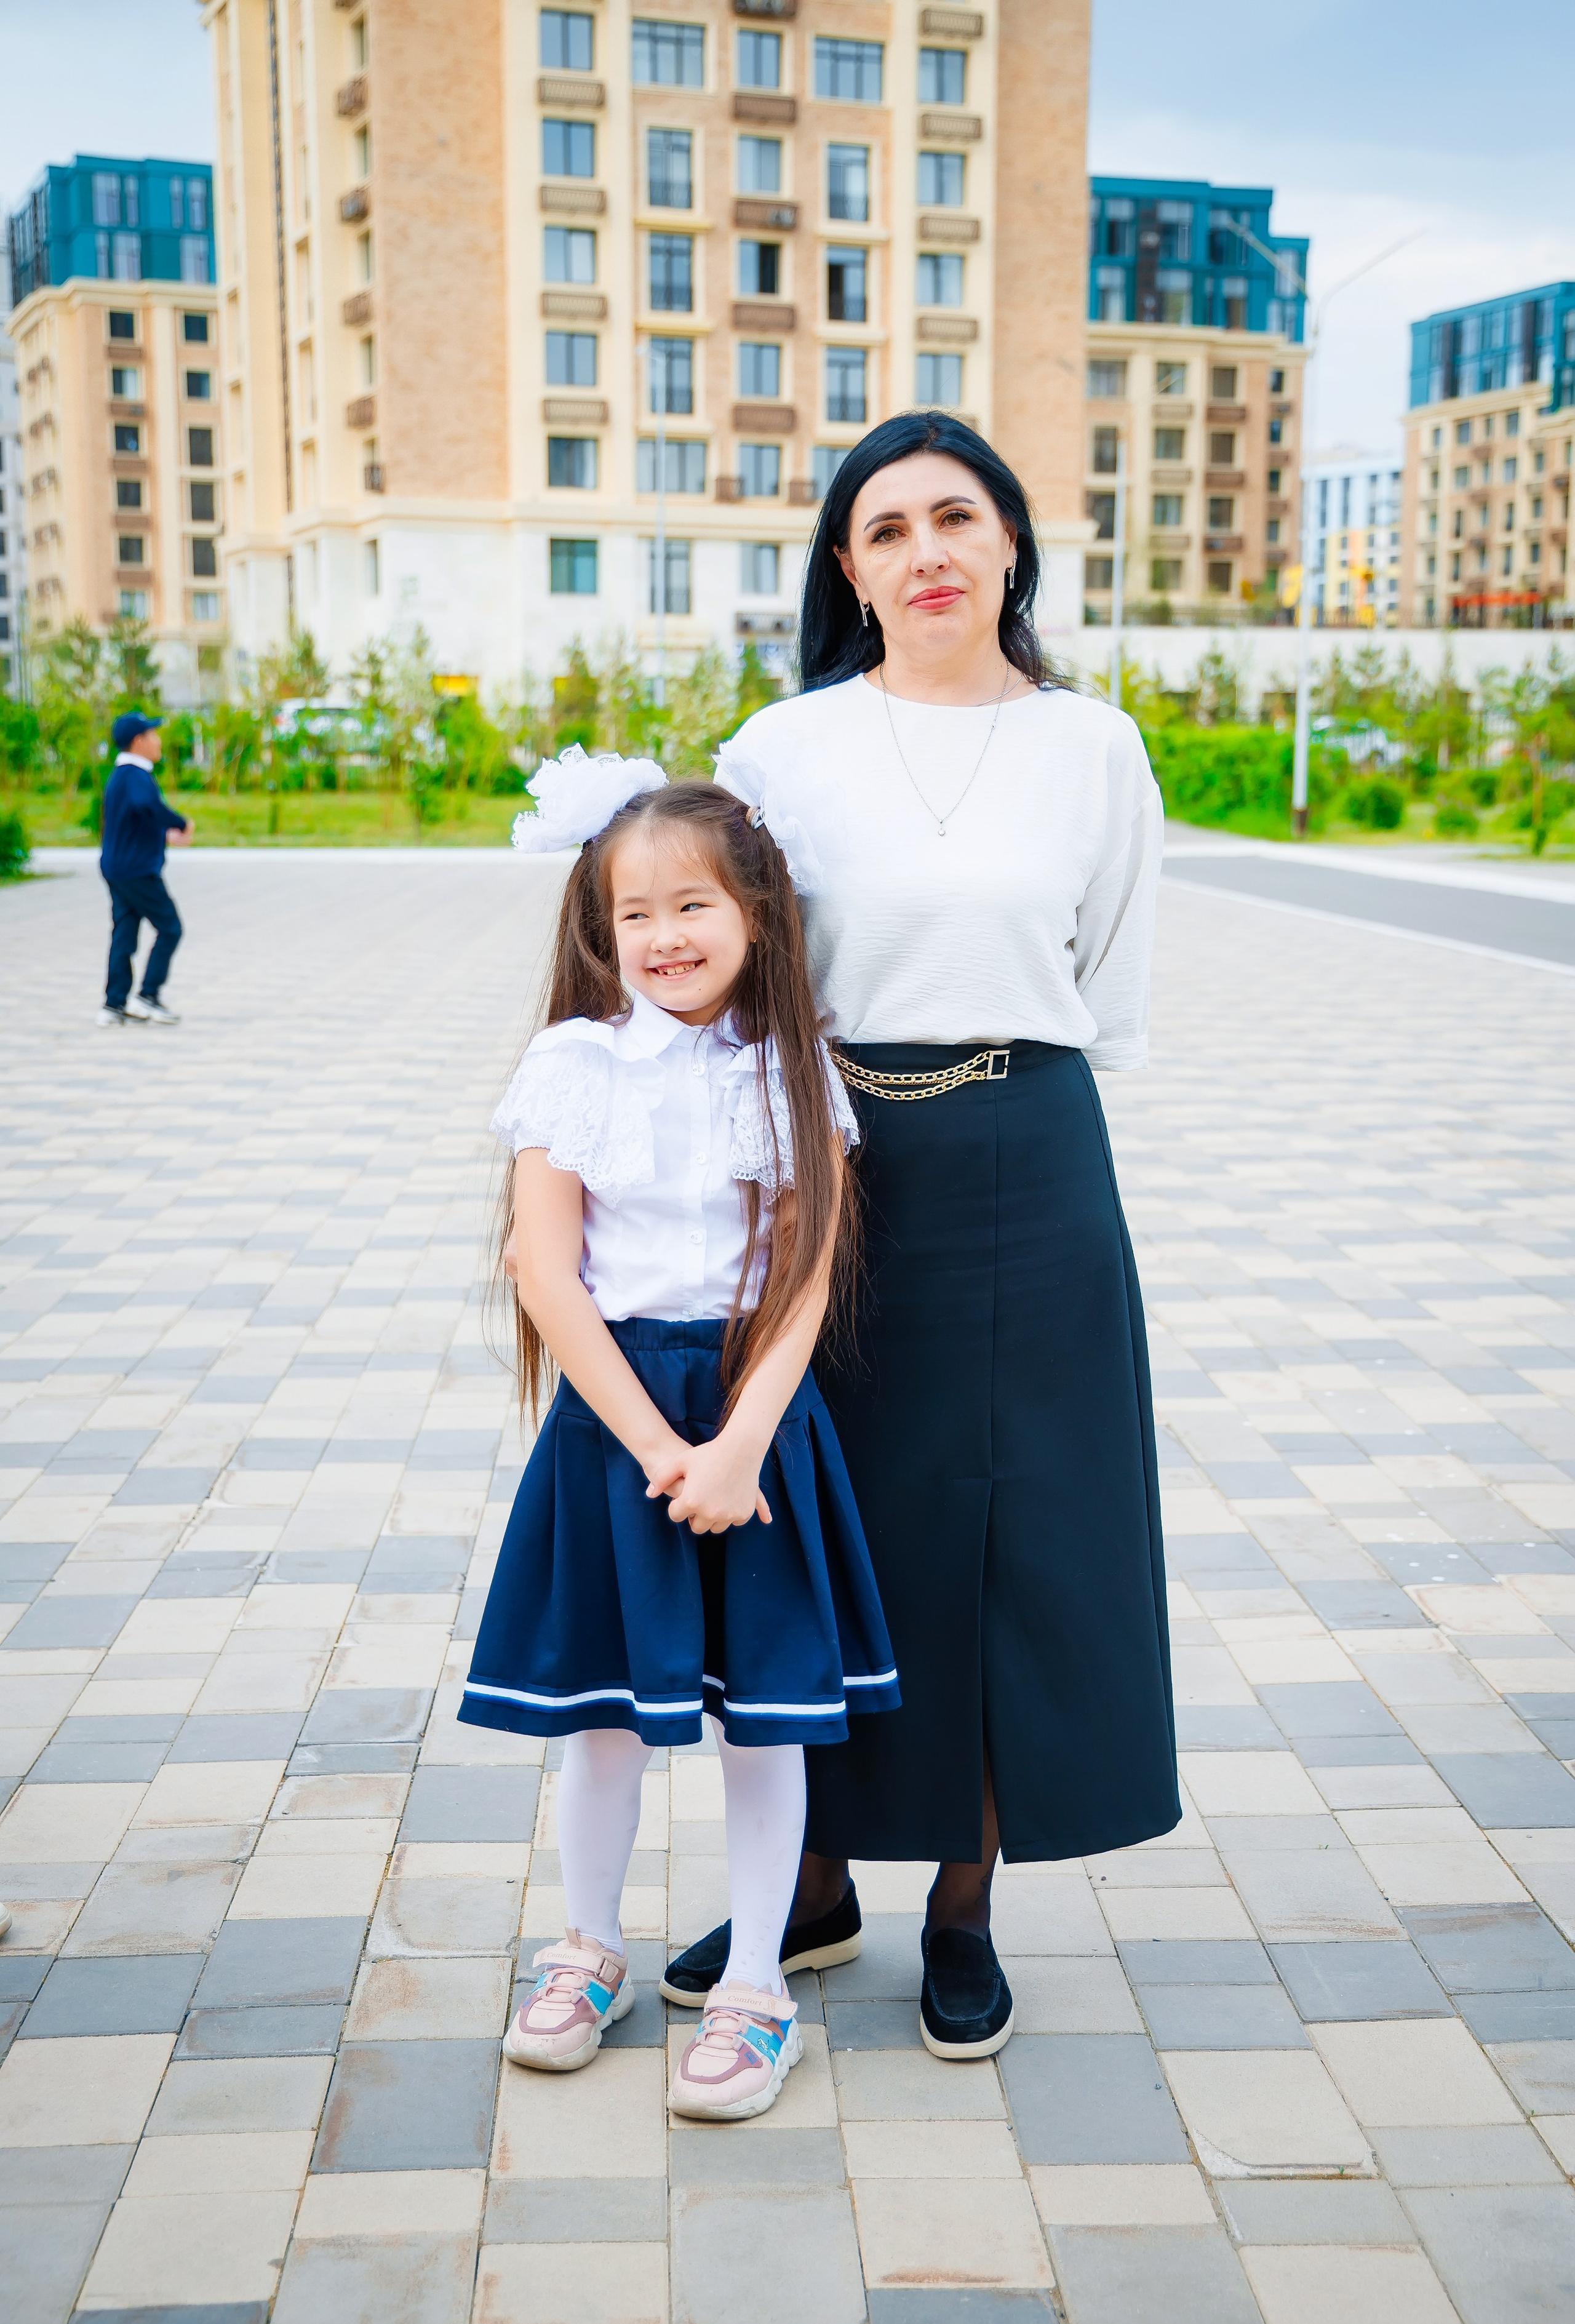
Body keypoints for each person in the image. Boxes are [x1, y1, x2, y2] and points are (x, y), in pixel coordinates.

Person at [661, 410, 1181, 2061]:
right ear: (850, 571)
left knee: (1010, 1536)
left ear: (1014, 545)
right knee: (824, 1519)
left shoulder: (1095, 748)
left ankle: (965, 1898)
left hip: (1031, 1156)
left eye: (958, 517)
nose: (928, 551)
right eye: (888, 531)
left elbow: (1112, 977)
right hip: (829, 1157)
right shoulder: (782, 746)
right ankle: (808, 1884)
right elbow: (719, 965)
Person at [458, 749, 897, 2123]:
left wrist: (736, 1447)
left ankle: (757, 1987)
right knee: (599, 1726)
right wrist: (658, 1448)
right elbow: (547, 1275)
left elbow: (805, 1271)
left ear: (756, 914)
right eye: (634, 913)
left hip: (757, 1423)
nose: (664, 937)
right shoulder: (573, 1065)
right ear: (601, 924)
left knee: (763, 1727)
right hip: (615, 1426)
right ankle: (588, 1948)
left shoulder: (791, 1074)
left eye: (694, 906)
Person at [97, 710, 192, 1028]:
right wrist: (180, 823)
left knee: (125, 932)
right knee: (171, 928)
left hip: (118, 867)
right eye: (153, 735)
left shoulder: (121, 775)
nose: (158, 741)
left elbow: (135, 820)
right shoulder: (136, 776)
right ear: (139, 742)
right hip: (137, 870)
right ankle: (147, 996)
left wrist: (164, 833)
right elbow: (146, 807)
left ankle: (113, 1005)